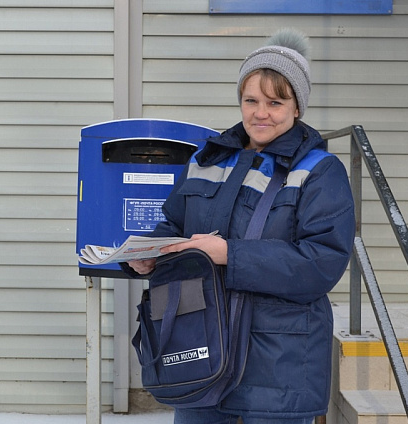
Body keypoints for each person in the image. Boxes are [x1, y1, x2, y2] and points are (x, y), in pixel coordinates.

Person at [125, 28, 356, 424]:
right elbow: (174, 223)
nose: (260, 113)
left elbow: (322, 263)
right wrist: (150, 251)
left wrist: (230, 255)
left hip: (276, 368)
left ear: (297, 106)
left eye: (275, 102)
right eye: (251, 100)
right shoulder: (208, 159)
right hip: (199, 352)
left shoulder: (320, 171)